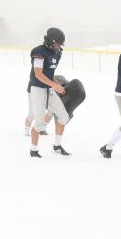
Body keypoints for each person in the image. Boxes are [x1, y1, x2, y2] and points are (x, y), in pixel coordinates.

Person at [28, 28, 71, 158]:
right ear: (49, 41)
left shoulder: (57, 53)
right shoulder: (39, 51)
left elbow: (49, 74)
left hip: (48, 88)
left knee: (64, 116)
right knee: (39, 122)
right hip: (37, 88)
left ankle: (57, 146)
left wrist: (58, 84)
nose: (58, 46)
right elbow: (38, 74)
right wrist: (54, 86)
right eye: (57, 43)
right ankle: (33, 150)